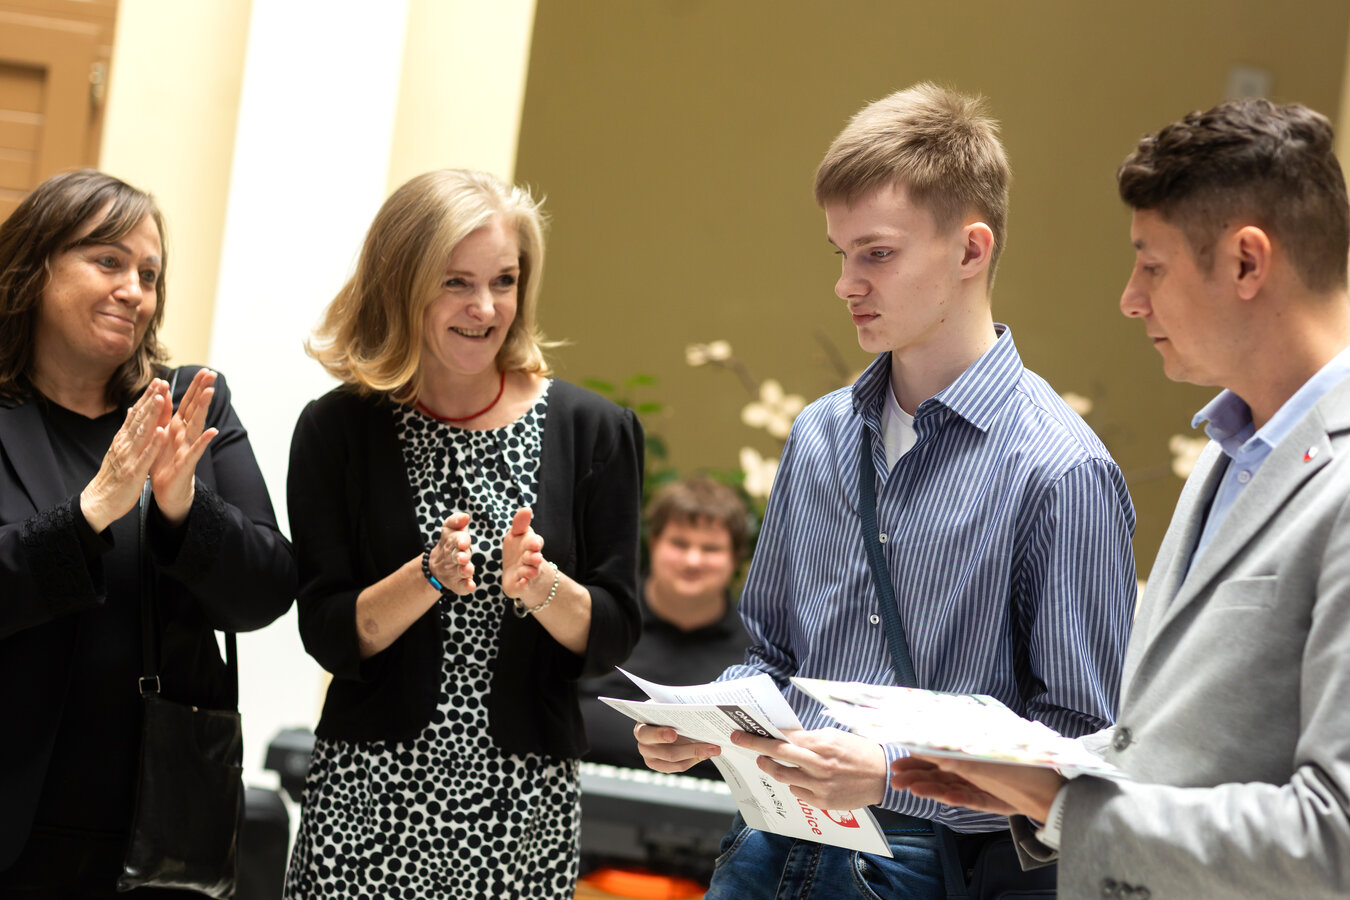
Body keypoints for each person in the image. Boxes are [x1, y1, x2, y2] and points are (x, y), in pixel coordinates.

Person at [634, 84, 1138, 899]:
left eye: (876, 254)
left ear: (970, 251)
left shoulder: (1061, 470)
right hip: (765, 847)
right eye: (841, 254)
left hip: (928, 869)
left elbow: (1081, 746)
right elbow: (773, 658)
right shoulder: (819, 434)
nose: (846, 284)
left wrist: (890, 772)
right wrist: (708, 722)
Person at [891, 98, 1350, 900]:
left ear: (1247, 263)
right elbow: (1173, 745)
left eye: (1152, 265)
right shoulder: (1227, 453)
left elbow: (1334, 840)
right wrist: (1028, 775)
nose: (1131, 299)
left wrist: (1069, 804)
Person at [283, 169, 644, 900]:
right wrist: (428, 576)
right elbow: (327, 632)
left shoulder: (594, 430)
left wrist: (541, 587)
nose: (485, 308)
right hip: (365, 800)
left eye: (503, 281)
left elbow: (612, 635)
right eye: (456, 283)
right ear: (401, 284)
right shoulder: (337, 430)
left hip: (522, 807)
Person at [0, 170, 296, 897]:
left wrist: (182, 508)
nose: (134, 290)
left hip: (158, 824)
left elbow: (265, 592)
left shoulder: (191, 404)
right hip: (14, 817)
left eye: (150, 274)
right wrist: (90, 512)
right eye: (108, 261)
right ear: (36, 267)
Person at [580, 475, 752, 777]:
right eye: (679, 543)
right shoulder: (603, 617)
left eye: (711, 549)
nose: (693, 560)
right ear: (654, 542)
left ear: (736, 558)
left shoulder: (760, 648)